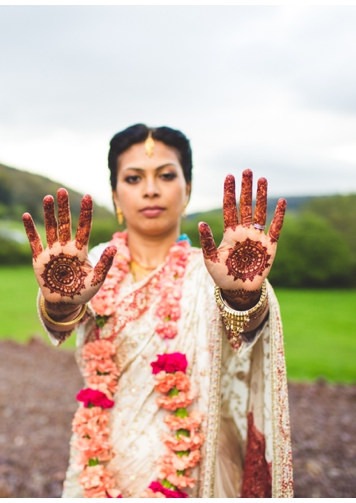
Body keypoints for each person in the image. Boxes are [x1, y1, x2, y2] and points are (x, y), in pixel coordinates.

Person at [22, 124, 293, 498]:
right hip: (99, 464)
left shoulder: (217, 271)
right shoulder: (93, 265)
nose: (151, 189)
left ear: (188, 189)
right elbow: (61, 323)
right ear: (116, 194)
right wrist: (59, 302)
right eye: (133, 178)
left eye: (166, 175)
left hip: (197, 471)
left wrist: (242, 298)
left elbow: (246, 330)